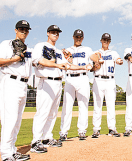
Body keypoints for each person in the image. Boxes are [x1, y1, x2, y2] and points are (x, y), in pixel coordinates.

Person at [31, 25, 86, 153]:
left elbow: (68, 66)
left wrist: (84, 67)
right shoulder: (41, 46)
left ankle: (46, 137)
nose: (55, 34)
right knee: (42, 112)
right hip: (46, 81)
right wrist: (57, 65)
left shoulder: (58, 52)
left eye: (57, 32)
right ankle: (35, 141)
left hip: (58, 83)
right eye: (53, 32)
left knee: (53, 113)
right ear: (47, 33)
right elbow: (40, 61)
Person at [0, 20, 32, 161]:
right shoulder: (6, 44)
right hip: (11, 82)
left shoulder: (28, 48)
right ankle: (6, 154)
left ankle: (12, 150)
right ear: (15, 30)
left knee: (17, 121)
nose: (23, 31)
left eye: (26, 29)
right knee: (10, 119)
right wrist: (14, 59)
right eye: (21, 29)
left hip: (23, 85)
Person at [59, 29, 93, 141]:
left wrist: (95, 60)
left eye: (80, 37)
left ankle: (82, 131)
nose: (78, 38)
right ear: (73, 37)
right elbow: (62, 64)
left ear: (83, 38)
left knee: (83, 105)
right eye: (77, 36)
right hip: (70, 78)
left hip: (83, 78)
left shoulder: (87, 49)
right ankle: (63, 132)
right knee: (67, 106)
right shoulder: (67, 50)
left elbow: (95, 59)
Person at [90, 33, 123, 138]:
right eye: (104, 39)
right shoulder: (96, 53)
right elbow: (92, 69)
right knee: (97, 105)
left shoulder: (113, 53)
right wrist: (96, 65)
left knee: (111, 105)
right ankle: (96, 130)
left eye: (108, 40)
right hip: (98, 79)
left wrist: (119, 61)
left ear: (110, 41)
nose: (106, 41)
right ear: (101, 40)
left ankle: (112, 128)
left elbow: (118, 60)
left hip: (110, 80)